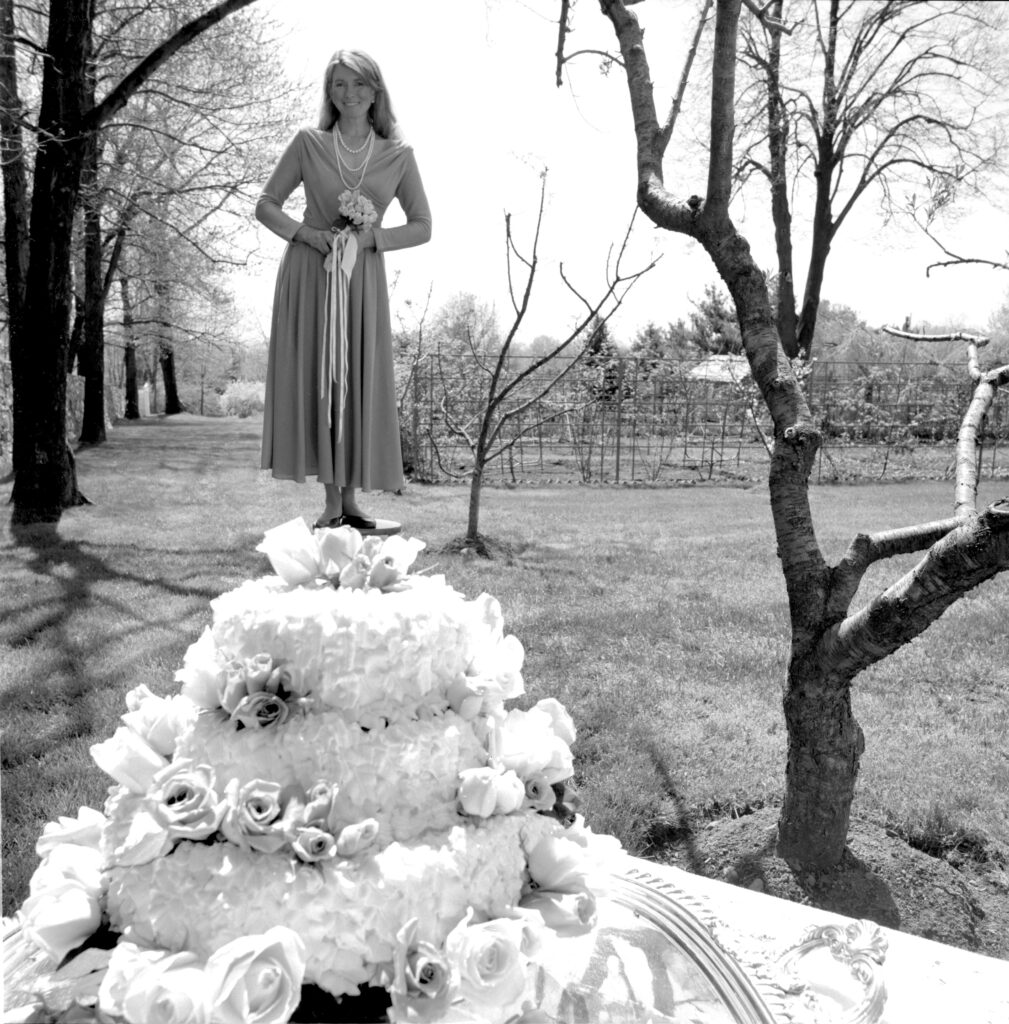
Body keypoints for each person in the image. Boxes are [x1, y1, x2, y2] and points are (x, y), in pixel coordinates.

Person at [256, 49, 431, 531]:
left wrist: (370, 238)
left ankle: (350, 499)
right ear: (329, 93)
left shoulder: (398, 155)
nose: (348, 93)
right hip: (310, 275)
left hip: (362, 285)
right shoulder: (308, 144)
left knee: (354, 378)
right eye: (338, 85)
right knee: (319, 377)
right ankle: (331, 500)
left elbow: (422, 226)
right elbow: (266, 204)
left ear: (375, 92)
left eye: (358, 84)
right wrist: (307, 235)